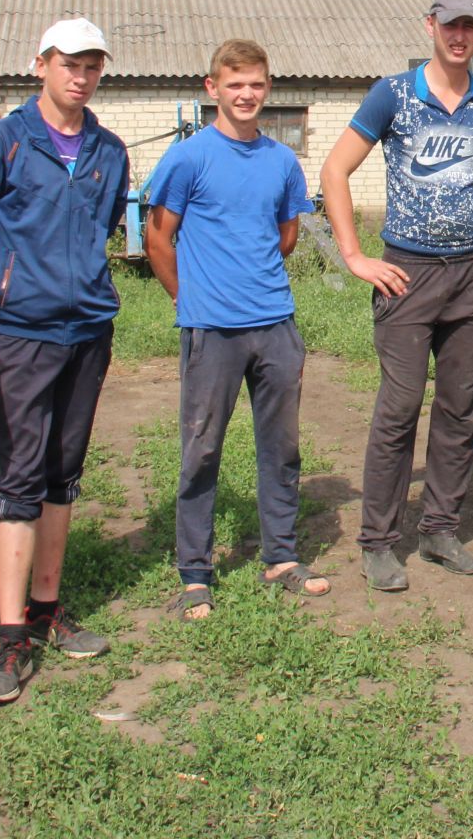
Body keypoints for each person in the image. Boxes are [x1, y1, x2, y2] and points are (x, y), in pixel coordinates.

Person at [320, 0, 473, 592]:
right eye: (451, 25)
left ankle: (441, 528)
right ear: (431, 26)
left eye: (471, 26)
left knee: (461, 407)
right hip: (407, 276)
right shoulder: (392, 95)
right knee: (399, 407)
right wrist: (354, 256)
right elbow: (335, 168)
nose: (460, 35)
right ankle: (379, 541)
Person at [0, 18, 130, 705]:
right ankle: (8, 636)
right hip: (23, 334)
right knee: (21, 474)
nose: (79, 76)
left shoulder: (108, 150)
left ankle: (48, 610)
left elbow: (110, 221)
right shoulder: (2, 142)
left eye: (91, 65)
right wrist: (6, 284)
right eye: (68, 63)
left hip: (89, 329)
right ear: (41, 66)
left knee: (65, 470)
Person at [145, 39, 327, 620]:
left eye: (255, 84)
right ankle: (196, 574)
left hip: (275, 326)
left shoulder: (281, 161)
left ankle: (281, 556)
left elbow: (288, 235)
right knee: (201, 449)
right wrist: (191, 297)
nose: (246, 94)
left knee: (282, 448)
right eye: (235, 84)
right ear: (212, 89)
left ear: (266, 88)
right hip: (212, 332)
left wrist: (253, 284)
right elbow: (157, 237)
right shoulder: (189, 158)